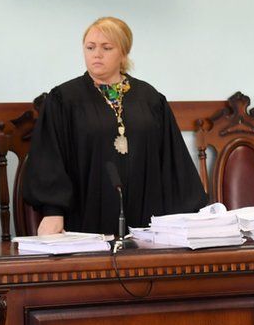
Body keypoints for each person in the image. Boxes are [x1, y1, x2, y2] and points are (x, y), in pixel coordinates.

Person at [23, 17, 206, 236]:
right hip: (84, 218)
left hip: (146, 215)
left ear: (124, 52)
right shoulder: (64, 99)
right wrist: (53, 210)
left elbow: (172, 159)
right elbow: (49, 158)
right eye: (90, 47)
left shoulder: (149, 98)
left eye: (106, 47)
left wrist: (191, 215)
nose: (96, 54)